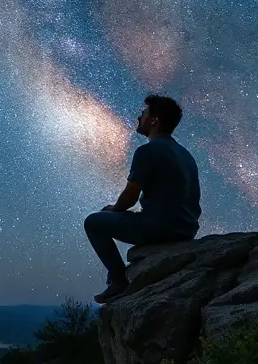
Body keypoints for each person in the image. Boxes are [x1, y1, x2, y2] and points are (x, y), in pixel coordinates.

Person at [84, 95, 201, 304]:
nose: (139, 117)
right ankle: (118, 279)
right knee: (110, 216)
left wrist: (113, 208)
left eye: (143, 113)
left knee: (93, 222)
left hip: (158, 227)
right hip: (187, 228)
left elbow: (130, 197)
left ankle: (119, 281)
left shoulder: (147, 151)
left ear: (154, 120)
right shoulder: (186, 154)